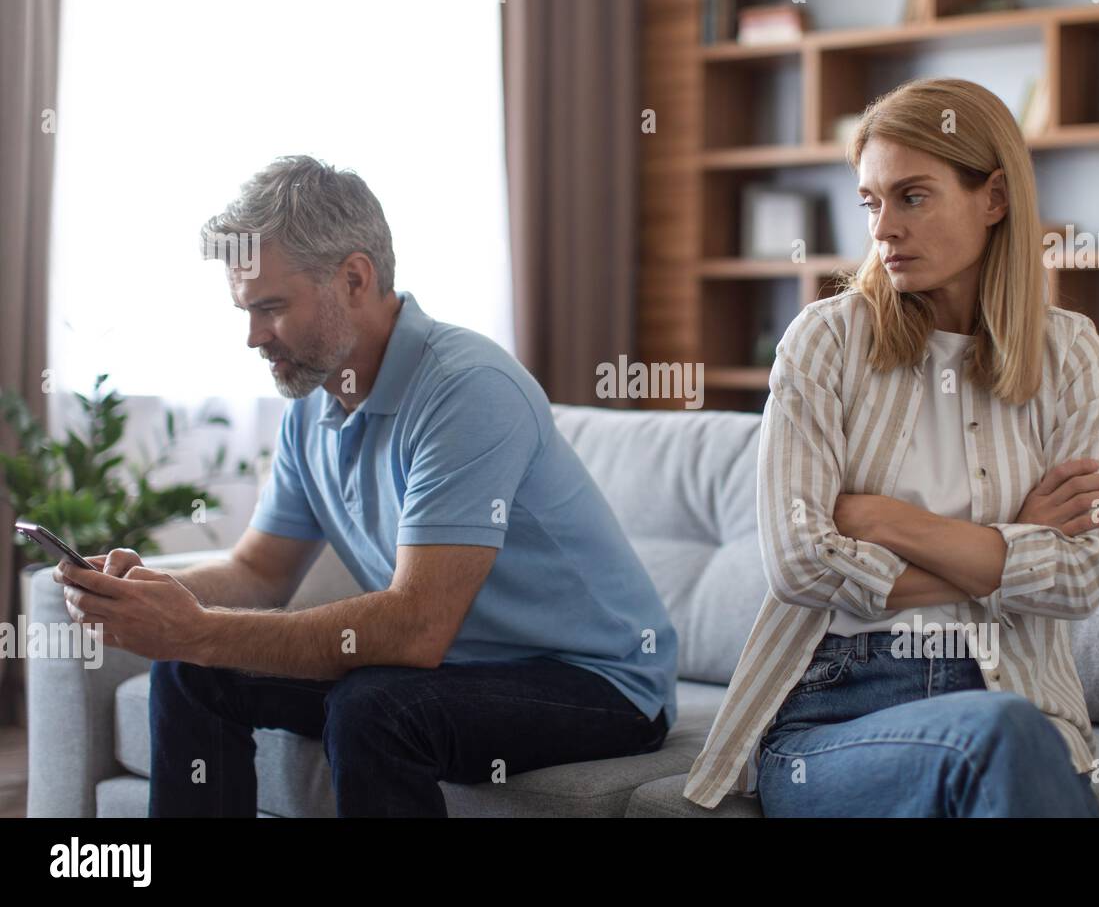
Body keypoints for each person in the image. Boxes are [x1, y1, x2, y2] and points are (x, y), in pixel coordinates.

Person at [56, 155, 677, 817]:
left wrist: (199, 629)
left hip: (598, 684)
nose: (252, 337)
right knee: (192, 672)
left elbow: (415, 629)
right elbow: (260, 571)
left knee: (374, 707)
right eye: (246, 311)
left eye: (270, 308)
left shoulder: (468, 390)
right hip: (458, 671)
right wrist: (147, 596)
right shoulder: (312, 402)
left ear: (353, 278)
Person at [684, 78, 1099, 816]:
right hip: (836, 709)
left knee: (1003, 735)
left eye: (912, 197)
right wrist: (1013, 547)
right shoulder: (825, 342)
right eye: (870, 202)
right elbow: (797, 563)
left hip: (1016, 697)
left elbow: (1080, 578)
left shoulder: (1072, 355)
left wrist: (885, 521)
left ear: (994, 198)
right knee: (996, 741)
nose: (882, 228)